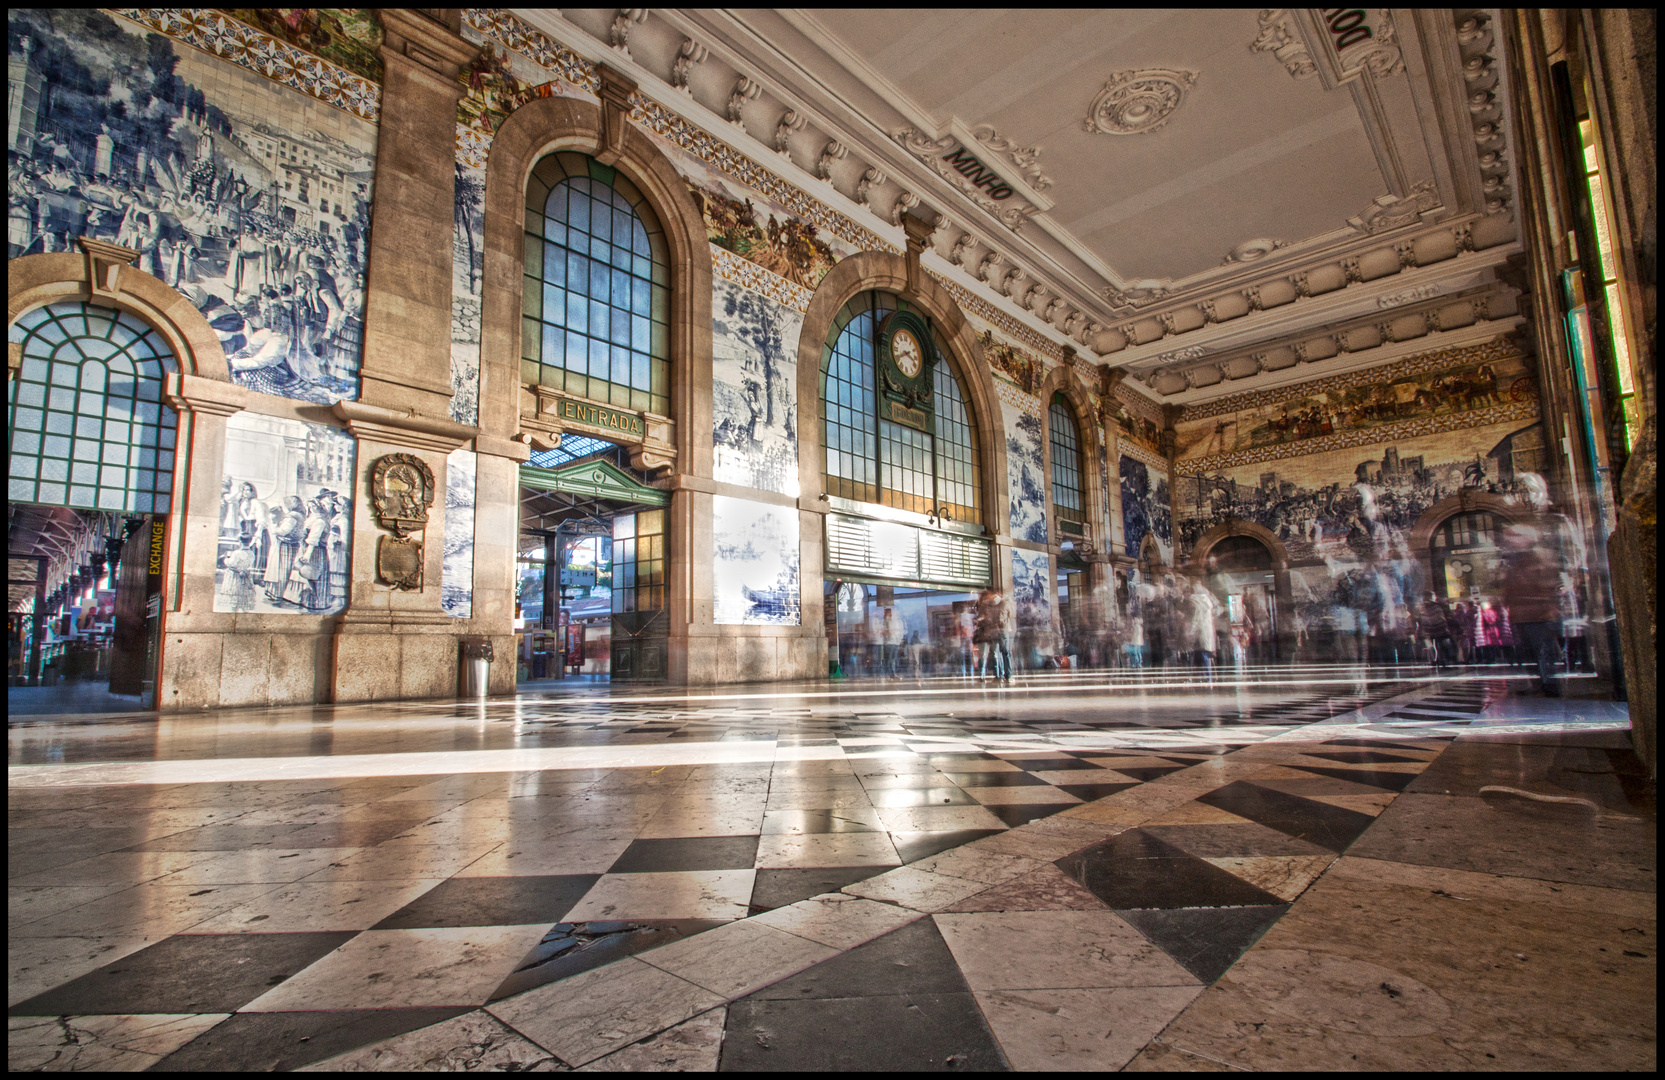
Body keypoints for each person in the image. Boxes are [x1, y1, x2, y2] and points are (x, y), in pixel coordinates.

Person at [1501, 524, 1564, 695]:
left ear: (1527, 538)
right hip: (1520, 615)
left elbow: (1549, 583)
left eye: (1515, 536)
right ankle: (1539, 685)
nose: (1510, 540)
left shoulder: (1539, 556)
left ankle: (1549, 687)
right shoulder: (1514, 560)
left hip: (1538, 615)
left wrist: (1551, 607)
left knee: (1543, 653)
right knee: (1527, 654)